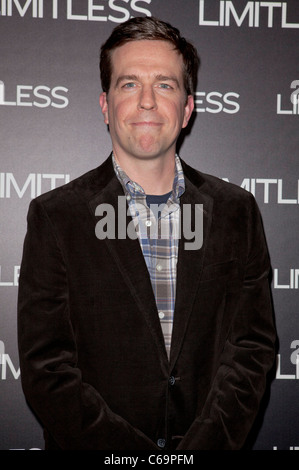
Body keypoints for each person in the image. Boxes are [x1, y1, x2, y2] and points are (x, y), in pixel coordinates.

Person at [17, 16, 276, 451]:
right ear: (105, 105)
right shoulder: (55, 217)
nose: (148, 102)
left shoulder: (237, 212)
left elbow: (252, 347)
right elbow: (48, 368)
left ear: (188, 108)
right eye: (130, 84)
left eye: (166, 85)